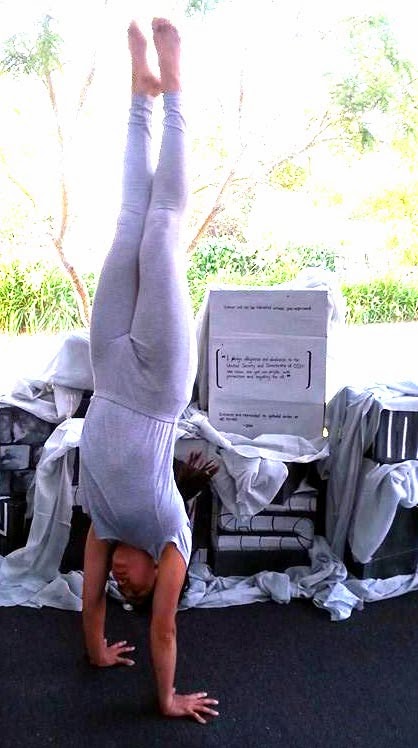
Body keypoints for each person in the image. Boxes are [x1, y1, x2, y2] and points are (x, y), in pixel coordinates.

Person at [79, 18, 219, 724]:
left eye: (121, 587)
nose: (122, 580)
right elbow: (164, 629)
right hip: (161, 381)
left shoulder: (104, 524)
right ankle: (177, 88)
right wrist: (164, 698)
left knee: (128, 219)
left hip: (108, 371)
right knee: (162, 228)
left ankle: (140, 94)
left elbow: (89, 600)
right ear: (158, 575)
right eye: (135, 588)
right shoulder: (171, 535)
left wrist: (99, 650)